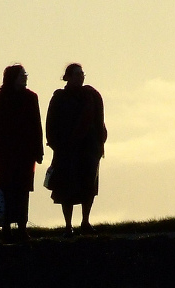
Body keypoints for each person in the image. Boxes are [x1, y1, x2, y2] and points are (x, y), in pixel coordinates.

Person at [46, 63, 107, 237]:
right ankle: (68, 225)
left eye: (82, 74)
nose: (81, 77)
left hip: (89, 148)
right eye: (77, 74)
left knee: (88, 186)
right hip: (67, 149)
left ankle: (85, 221)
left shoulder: (91, 95)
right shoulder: (59, 97)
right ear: (68, 77)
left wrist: (99, 143)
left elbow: (99, 120)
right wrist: (54, 143)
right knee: (67, 188)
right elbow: (51, 121)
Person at [0, 64, 44, 242]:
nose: (25, 77)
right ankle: (6, 228)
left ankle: (21, 227)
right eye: (22, 75)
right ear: (13, 77)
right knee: (6, 189)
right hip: (5, 153)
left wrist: (38, 151)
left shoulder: (31, 98)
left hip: (26, 153)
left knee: (23, 189)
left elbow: (37, 125)